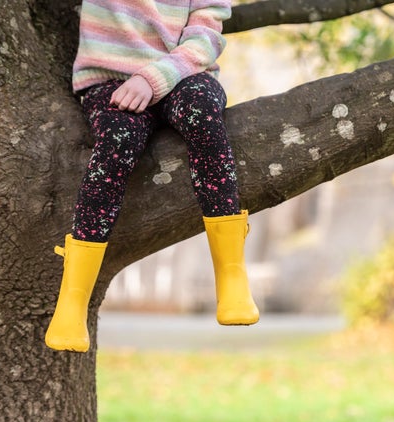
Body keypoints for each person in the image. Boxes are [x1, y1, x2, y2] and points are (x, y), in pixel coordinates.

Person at [44, 0, 259, 352]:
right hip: (111, 80)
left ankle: (231, 271)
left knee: (202, 113)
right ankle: (73, 298)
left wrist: (153, 79)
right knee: (119, 140)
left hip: (182, 76)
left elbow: (205, 39)